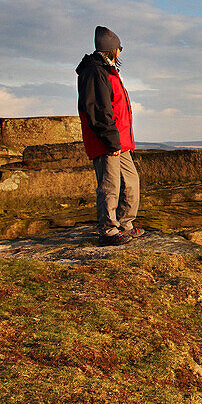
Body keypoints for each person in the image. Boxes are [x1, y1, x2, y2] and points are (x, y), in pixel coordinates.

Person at [76, 25, 143, 246]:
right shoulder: (95, 72)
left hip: (120, 140)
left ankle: (125, 223)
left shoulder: (107, 71)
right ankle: (108, 229)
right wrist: (111, 139)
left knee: (131, 181)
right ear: (112, 49)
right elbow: (97, 110)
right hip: (108, 141)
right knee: (110, 185)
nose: (120, 52)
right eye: (119, 48)